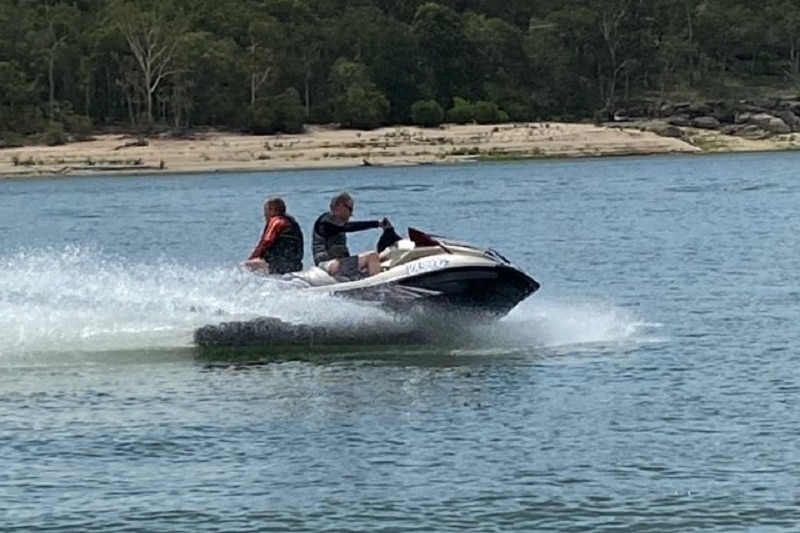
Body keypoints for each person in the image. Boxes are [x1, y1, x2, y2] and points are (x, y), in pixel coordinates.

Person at [312, 191, 392, 280]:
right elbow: (349, 227)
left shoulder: (338, 223)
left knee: (379, 260)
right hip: (327, 265)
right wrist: (377, 224)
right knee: (372, 256)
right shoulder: (325, 222)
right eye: (350, 209)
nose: (351, 214)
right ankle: (378, 288)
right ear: (340, 206)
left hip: (339, 263)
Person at [244, 196, 304, 274]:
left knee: (246, 266)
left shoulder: (276, 222)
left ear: (273, 210)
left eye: (266, 211)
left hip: (278, 265)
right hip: (295, 265)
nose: (264, 215)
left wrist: (252, 258)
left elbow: (266, 242)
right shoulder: (292, 224)